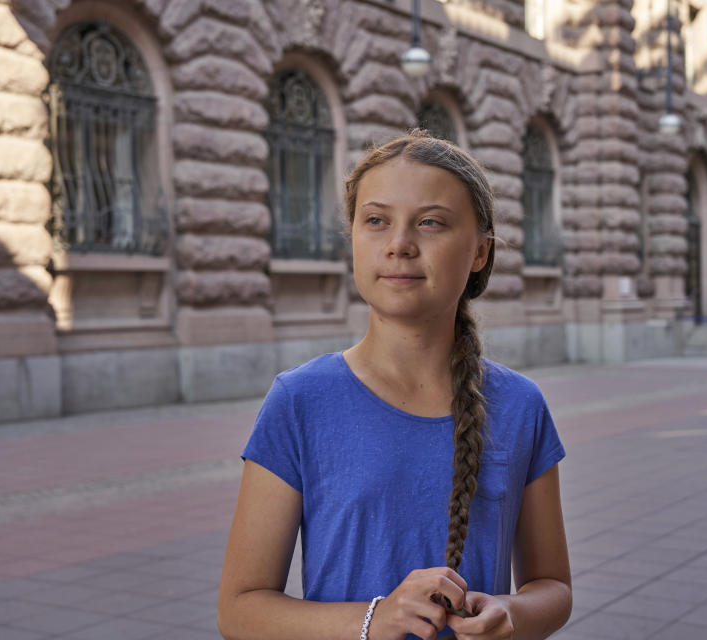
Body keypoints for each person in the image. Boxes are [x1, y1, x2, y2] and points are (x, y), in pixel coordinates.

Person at [217, 131, 571, 640]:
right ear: (354, 238)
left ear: (479, 251)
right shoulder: (300, 401)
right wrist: (372, 619)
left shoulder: (520, 406)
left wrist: (513, 613)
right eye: (376, 221)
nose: (399, 245)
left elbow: (553, 585)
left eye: (431, 223)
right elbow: (239, 609)